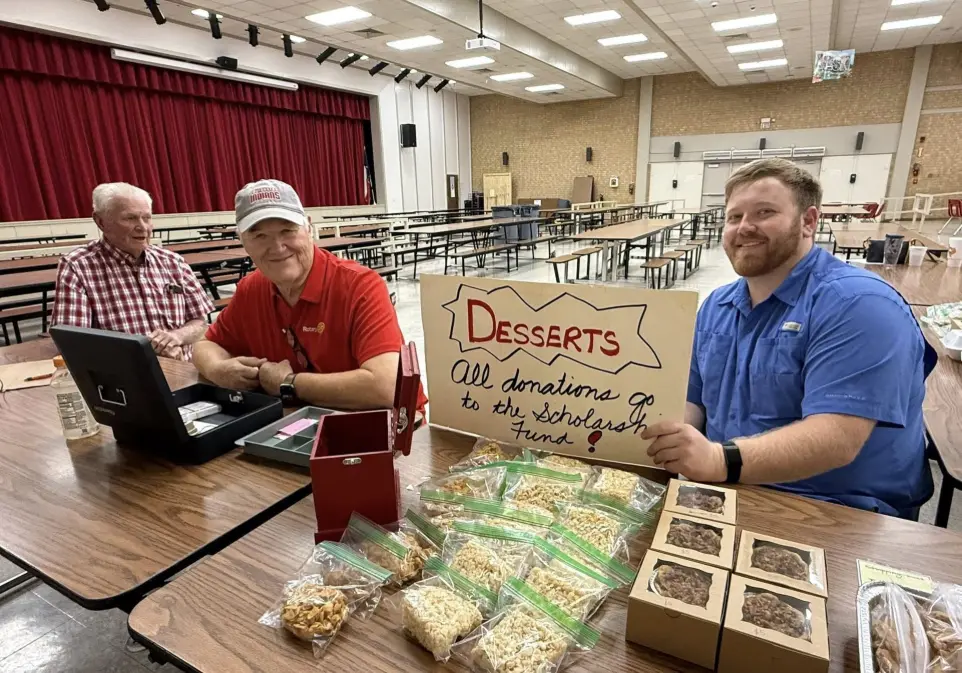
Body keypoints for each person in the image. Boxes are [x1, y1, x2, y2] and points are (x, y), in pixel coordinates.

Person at [642, 158, 935, 519]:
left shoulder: (859, 304)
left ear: (808, 222)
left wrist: (718, 459)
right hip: (730, 490)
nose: (744, 227)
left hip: (840, 508)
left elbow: (837, 438)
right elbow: (693, 400)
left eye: (764, 212)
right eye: (734, 217)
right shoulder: (718, 305)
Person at [193, 179, 427, 412]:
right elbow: (205, 345)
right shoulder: (251, 290)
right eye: (260, 236)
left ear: (309, 228)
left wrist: (288, 383)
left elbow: (386, 386)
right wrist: (218, 370)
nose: (277, 246)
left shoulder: (360, 286)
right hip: (299, 422)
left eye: (287, 230)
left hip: (384, 427)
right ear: (243, 242)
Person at [52, 183, 214, 360]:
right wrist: (146, 353)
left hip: (184, 368)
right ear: (101, 222)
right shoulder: (77, 266)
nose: (142, 227)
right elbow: (73, 342)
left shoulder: (173, 262)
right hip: (124, 373)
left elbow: (201, 323)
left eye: (147, 218)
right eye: (130, 218)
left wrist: (177, 337)